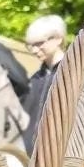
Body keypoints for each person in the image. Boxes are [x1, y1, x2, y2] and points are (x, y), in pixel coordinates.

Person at [20, 14, 69, 146]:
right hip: (30, 159)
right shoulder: (34, 80)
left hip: (63, 157)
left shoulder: (73, 75)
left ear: (58, 39)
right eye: (30, 45)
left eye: (39, 43)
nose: (34, 50)